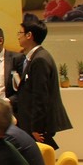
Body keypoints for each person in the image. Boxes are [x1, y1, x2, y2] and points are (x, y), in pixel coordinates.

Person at [13, 14, 72, 147]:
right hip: (31, 120)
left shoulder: (39, 59)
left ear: (29, 35)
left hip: (38, 124)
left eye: (20, 33)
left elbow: (40, 95)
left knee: (42, 153)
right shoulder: (34, 57)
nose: (18, 36)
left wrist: (36, 127)